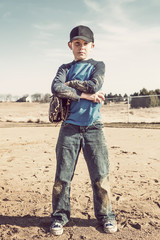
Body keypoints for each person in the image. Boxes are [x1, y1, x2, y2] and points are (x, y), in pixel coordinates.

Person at [50, 25, 117, 236]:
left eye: (85, 43)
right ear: (70, 46)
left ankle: (106, 217)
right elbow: (56, 87)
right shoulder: (64, 67)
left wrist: (70, 86)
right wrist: (84, 96)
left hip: (93, 128)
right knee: (62, 177)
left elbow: (94, 85)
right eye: (77, 43)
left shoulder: (98, 65)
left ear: (92, 46)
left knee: (100, 176)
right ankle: (59, 217)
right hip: (69, 127)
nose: (81, 47)